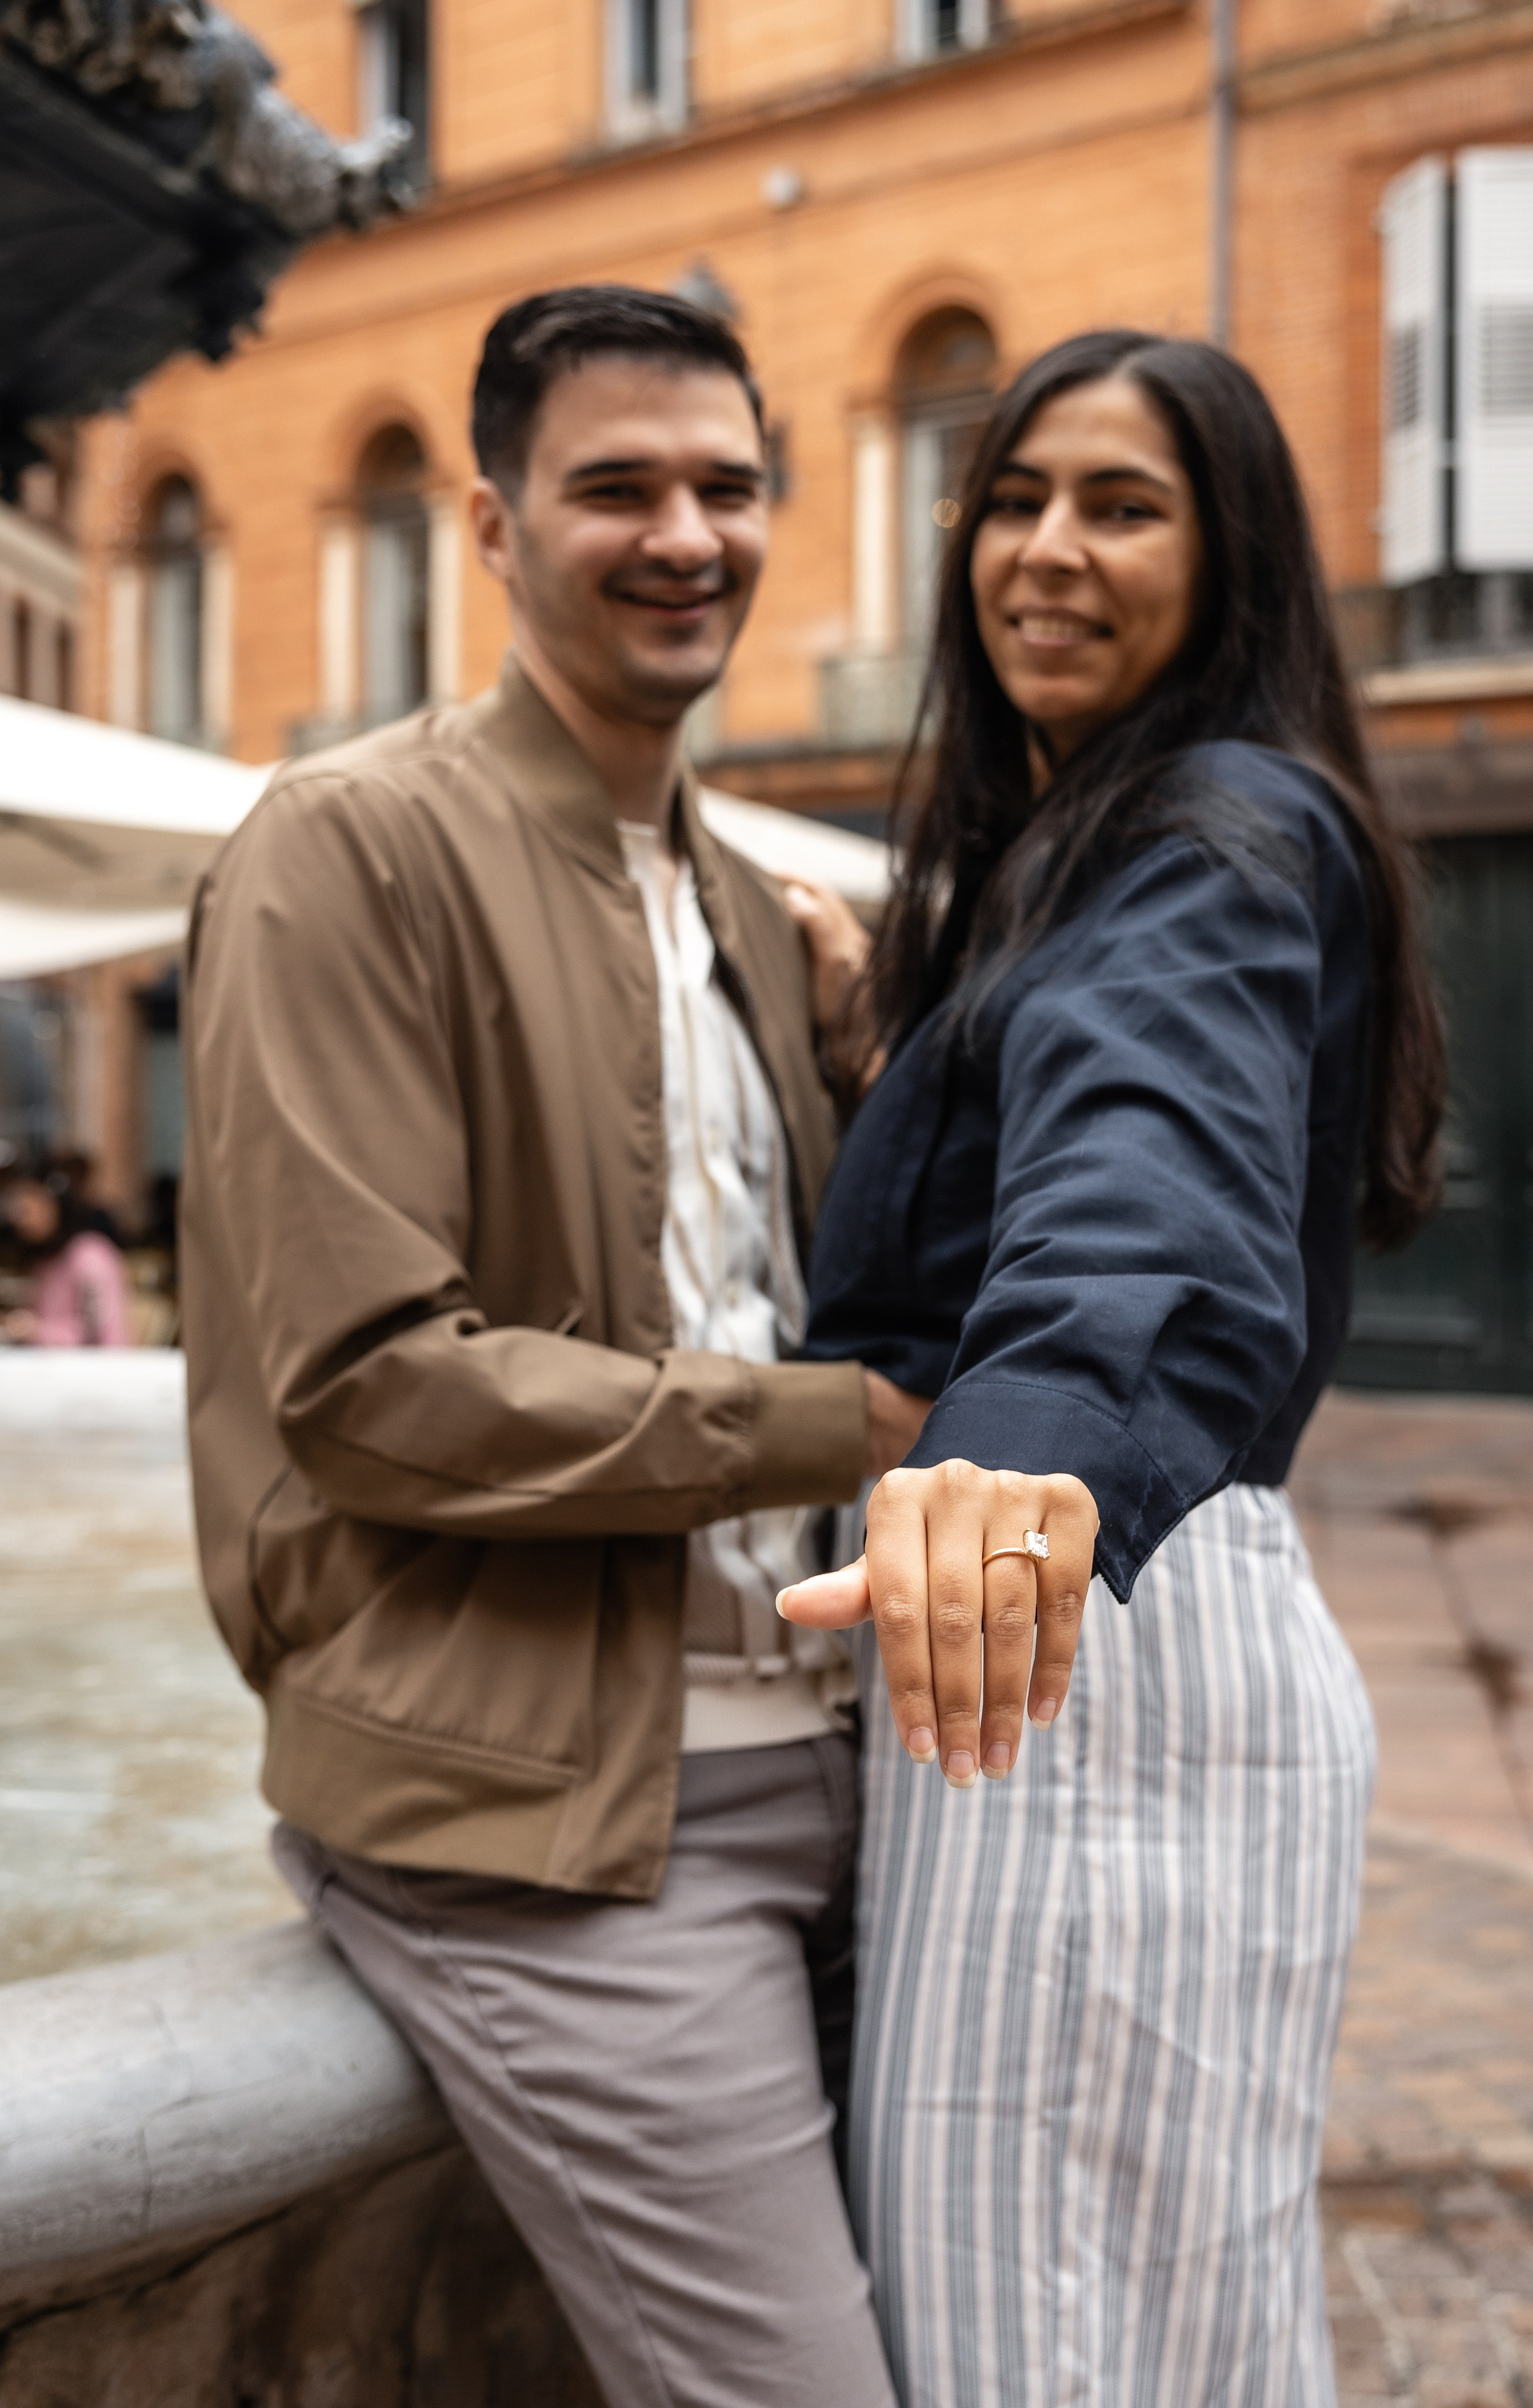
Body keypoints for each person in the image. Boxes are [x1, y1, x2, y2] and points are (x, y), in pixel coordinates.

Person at [181, 287, 911, 2408]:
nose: (686, 532)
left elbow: (761, 1270)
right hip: (542, 1820)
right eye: (617, 487)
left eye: (727, 484)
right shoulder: (343, 845)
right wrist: (838, 1427)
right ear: (491, 529)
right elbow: (371, 1388)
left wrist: (862, 1046)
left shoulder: (757, 907)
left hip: (835, 1766)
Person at [779, 329, 1446, 2406]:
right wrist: (899, 1047)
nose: (1046, 551)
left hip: (1077, 1634)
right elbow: (1079, 1102)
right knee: (1179, 2329)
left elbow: (1153, 1157)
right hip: (1104, 1634)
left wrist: (1031, 1429)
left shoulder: (1207, 828)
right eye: (1014, 497)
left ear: (1231, 557)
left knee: (1035, 2340)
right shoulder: (1078, 856)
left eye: (1124, 505)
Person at [1, 1164, 131, 1346]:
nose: (22, 1220)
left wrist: (33, 1330)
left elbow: (94, 1334)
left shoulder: (90, 1255)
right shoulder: (46, 1258)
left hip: (97, 1368)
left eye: (29, 1209)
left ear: (58, 1206)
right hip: (54, 1366)